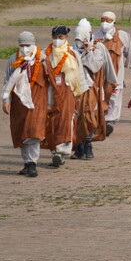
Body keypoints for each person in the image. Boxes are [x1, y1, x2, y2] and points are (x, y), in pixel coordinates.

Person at [0, 31, 46, 176]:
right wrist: (6, 100)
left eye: (28, 45)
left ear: (33, 44)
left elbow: (50, 83)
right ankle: (27, 162)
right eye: (22, 45)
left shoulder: (43, 59)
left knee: (33, 131)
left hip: (37, 101)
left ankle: (33, 163)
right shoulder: (14, 59)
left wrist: (51, 102)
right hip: (19, 102)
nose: (25, 48)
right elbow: (7, 80)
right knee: (22, 132)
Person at [71, 19, 117, 160]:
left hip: (93, 89)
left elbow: (97, 66)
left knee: (90, 116)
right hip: (76, 90)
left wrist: (88, 51)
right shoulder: (71, 49)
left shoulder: (98, 48)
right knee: (78, 118)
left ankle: (88, 143)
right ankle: (79, 146)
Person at [43, 25, 87, 165]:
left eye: (60, 37)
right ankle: (54, 150)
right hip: (50, 91)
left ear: (66, 37)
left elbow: (79, 75)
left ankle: (60, 152)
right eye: (55, 37)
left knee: (65, 119)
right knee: (51, 120)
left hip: (68, 91)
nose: (57, 40)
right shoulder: (45, 54)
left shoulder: (73, 54)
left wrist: (78, 95)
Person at [91, 11, 131, 137]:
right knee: (101, 96)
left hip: (116, 72)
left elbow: (129, 51)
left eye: (108, 20)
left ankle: (110, 122)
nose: (105, 23)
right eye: (103, 19)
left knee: (114, 97)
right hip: (100, 73)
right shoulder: (95, 36)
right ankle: (101, 119)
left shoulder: (123, 35)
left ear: (114, 22)